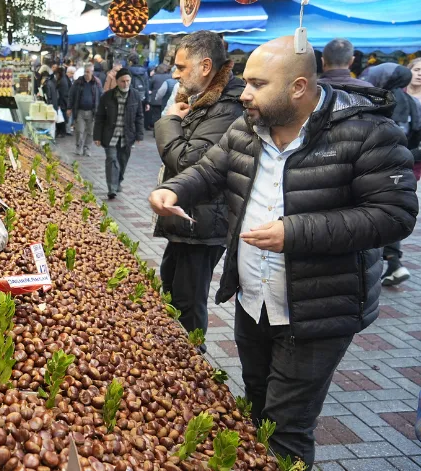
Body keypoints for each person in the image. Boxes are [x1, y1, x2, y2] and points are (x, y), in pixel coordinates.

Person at [148, 36, 418, 468]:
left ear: (298, 87)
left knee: (286, 427)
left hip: (317, 309)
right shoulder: (247, 127)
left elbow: (394, 215)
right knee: (257, 406)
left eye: (257, 84)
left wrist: (295, 232)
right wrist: (173, 189)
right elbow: (211, 169)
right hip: (254, 301)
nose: (245, 93)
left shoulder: (368, 133)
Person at [153, 30, 245, 343]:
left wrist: (169, 121)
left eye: (181, 67)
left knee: (188, 301)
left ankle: (193, 360)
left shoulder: (228, 107)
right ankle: (177, 352)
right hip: (189, 218)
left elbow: (187, 161)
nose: (175, 74)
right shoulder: (203, 101)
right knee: (172, 286)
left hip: (204, 223)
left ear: (205, 67)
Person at [362, 63, 421, 286]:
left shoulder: (376, 102)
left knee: (376, 215)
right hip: (401, 170)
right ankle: (393, 263)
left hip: (378, 170)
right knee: (390, 214)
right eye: (417, 70)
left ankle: (384, 264)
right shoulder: (410, 103)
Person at [94, 68, 144, 199]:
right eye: (123, 81)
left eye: (128, 81)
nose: (126, 84)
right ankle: (112, 188)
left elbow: (139, 116)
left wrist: (139, 134)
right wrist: (97, 136)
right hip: (110, 135)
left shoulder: (135, 96)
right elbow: (100, 117)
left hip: (127, 136)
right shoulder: (107, 96)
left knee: (122, 161)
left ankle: (118, 181)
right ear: (117, 81)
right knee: (112, 159)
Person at [68, 63, 103, 157]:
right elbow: (71, 95)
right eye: (85, 72)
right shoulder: (78, 82)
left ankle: (87, 148)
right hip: (80, 111)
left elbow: (101, 96)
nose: (86, 74)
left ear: (92, 72)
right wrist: (69, 108)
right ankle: (78, 147)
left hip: (92, 111)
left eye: (88, 72)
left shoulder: (97, 83)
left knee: (91, 132)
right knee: (79, 130)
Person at [146, 64, 173, 130]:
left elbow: (150, 87)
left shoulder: (154, 77)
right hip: (166, 100)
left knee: (156, 116)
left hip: (156, 100)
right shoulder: (170, 76)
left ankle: (156, 131)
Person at [54, 68, 69, 138]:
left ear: (58, 74)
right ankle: (61, 132)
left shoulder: (62, 81)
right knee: (61, 117)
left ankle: (62, 132)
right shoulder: (63, 79)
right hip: (63, 101)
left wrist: (59, 104)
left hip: (62, 102)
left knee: (61, 118)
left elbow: (62, 94)